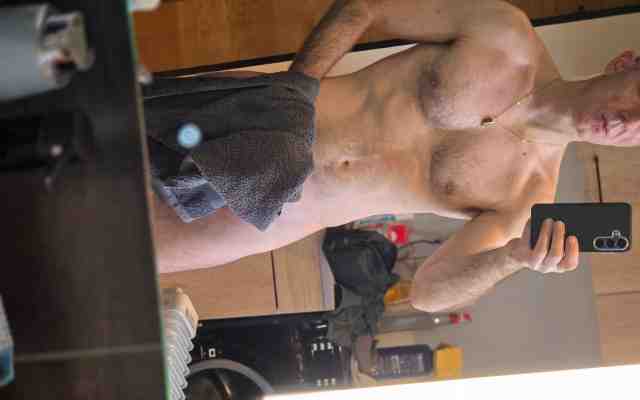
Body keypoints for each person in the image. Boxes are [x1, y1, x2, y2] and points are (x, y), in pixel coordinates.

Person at [152, 0, 640, 313]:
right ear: (624, 64)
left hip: (266, 215)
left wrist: (509, 259)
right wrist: (294, 94)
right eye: (638, 97)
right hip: (249, 118)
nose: (627, 121)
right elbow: (366, 7)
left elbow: (427, 293)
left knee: (115, 253)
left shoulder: (528, 196)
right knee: (105, 143)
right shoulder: (506, 34)